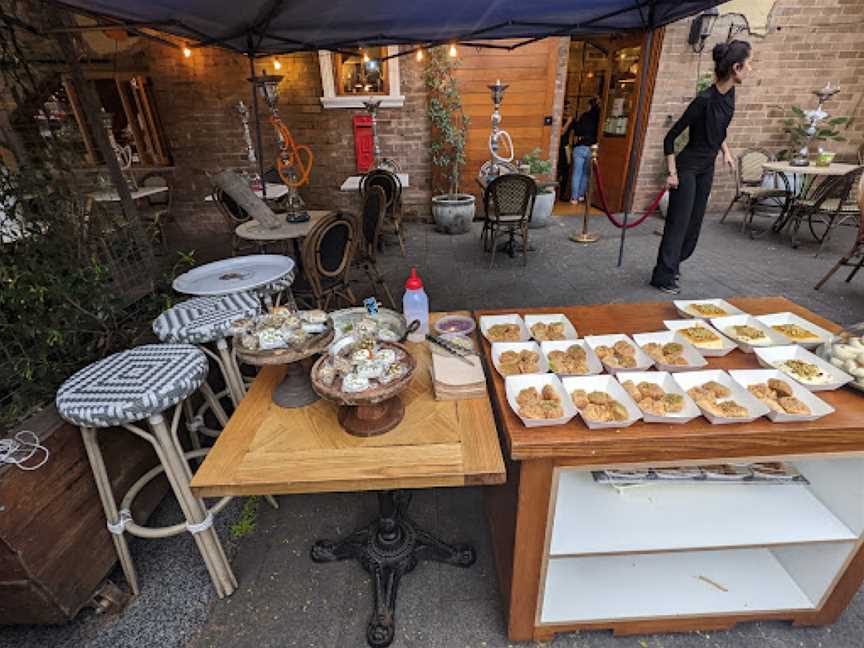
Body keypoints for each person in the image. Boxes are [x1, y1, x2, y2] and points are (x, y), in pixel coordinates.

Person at [650, 40, 752, 295]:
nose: (751, 69)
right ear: (736, 68)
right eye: (748, 64)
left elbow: (719, 130)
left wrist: (725, 151)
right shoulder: (704, 100)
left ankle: (674, 265)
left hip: (706, 168)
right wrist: (671, 173)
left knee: (694, 224)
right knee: (678, 223)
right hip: (686, 168)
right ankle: (662, 276)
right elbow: (670, 138)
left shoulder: (729, 95)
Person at [563, 97, 601, 204]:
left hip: (580, 147)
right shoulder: (599, 117)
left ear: (589, 106)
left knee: (577, 173)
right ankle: (581, 196)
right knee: (585, 173)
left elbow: (577, 130)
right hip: (592, 148)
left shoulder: (585, 116)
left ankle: (574, 198)